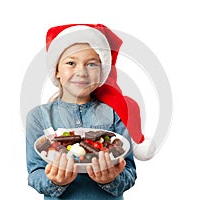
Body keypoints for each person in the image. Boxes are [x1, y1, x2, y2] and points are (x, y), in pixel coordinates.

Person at [26, 24, 137, 200]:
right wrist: (55, 182)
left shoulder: (115, 112)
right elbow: (34, 174)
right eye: (71, 63)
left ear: (102, 72)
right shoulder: (38, 117)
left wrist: (112, 179)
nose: (81, 72)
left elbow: (130, 172)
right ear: (57, 71)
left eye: (91, 64)